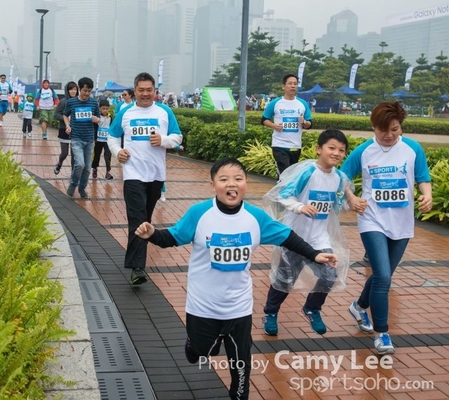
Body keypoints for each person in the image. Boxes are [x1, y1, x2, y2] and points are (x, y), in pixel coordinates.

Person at [135, 157, 338, 400]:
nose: (232, 184)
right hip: (203, 306)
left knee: (241, 364)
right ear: (213, 185)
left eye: (238, 179)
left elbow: (287, 237)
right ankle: (194, 346)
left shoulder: (255, 217)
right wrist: (152, 234)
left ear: (245, 184)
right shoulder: (199, 213)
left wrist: (314, 254)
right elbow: (172, 238)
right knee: (202, 352)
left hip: (238, 307)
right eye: (224, 179)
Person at [341, 102, 432, 355]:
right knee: (383, 277)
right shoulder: (364, 151)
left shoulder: (412, 149)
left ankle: (359, 307)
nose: (389, 135)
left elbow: (423, 178)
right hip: (372, 219)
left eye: (395, 129)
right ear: (374, 127)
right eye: (384, 130)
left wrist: (427, 195)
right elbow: (342, 178)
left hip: (402, 222)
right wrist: (352, 198)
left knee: (384, 275)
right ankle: (382, 334)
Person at [261, 130, 353, 336]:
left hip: (320, 239)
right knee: (284, 281)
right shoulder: (308, 172)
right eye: (332, 148)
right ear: (319, 149)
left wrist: (353, 204)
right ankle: (270, 313)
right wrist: (299, 207)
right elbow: (283, 195)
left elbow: (336, 206)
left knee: (330, 275)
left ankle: (312, 308)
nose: (336, 153)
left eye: (341, 150)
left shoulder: (339, 178)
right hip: (295, 238)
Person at [108, 72, 183, 285]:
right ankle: (137, 268)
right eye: (141, 90)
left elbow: (178, 137)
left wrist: (163, 140)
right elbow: (112, 137)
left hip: (156, 175)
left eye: (149, 90)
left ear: (154, 91)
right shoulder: (125, 112)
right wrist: (118, 152)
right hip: (132, 174)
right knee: (137, 218)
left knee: (145, 218)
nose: (145, 93)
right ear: (135, 91)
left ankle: (137, 260)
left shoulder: (165, 112)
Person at [261, 74, 313, 176]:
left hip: (295, 146)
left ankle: (281, 186)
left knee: (291, 176)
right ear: (283, 86)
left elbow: (309, 124)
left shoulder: (302, 103)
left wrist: (304, 122)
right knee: (284, 174)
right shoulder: (276, 103)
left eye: (295, 84)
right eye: (290, 83)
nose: (293, 86)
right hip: (279, 145)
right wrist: (274, 126)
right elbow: (264, 120)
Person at [62, 77, 100, 199]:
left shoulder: (93, 102)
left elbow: (99, 117)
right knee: (79, 164)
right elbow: (65, 115)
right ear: (79, 89)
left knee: (87, 168)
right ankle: (73, 184)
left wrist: (97, 119)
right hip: (76, 138)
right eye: (85, 90)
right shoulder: (71, 102)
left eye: (89, 91)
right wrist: (68, 126)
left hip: (89, 139)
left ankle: (82, 188)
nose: (87, 93)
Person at [53, 81, 78, 175]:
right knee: (64, 153)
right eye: (71, 89)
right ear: (67, 90)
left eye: (75, 89)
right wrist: (66, 118)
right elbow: (56, 115)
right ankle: (59, 164)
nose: (73, 91)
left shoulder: (78, 102)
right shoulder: (63, 101)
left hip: (75, 130)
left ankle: (73, 174)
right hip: (64, 130)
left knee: (74, 154)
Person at [91, 99, 114, 180]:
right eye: (103, 108)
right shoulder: (97, 117)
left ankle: (108, 172)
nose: (105, 110)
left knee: (108, 155)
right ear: (99, 108)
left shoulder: (110, 117)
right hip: (98, 140)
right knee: (97, 155)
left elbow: (112, 128)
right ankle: (94, 168)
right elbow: (94, 127)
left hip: (107, 140)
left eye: (107, 108)